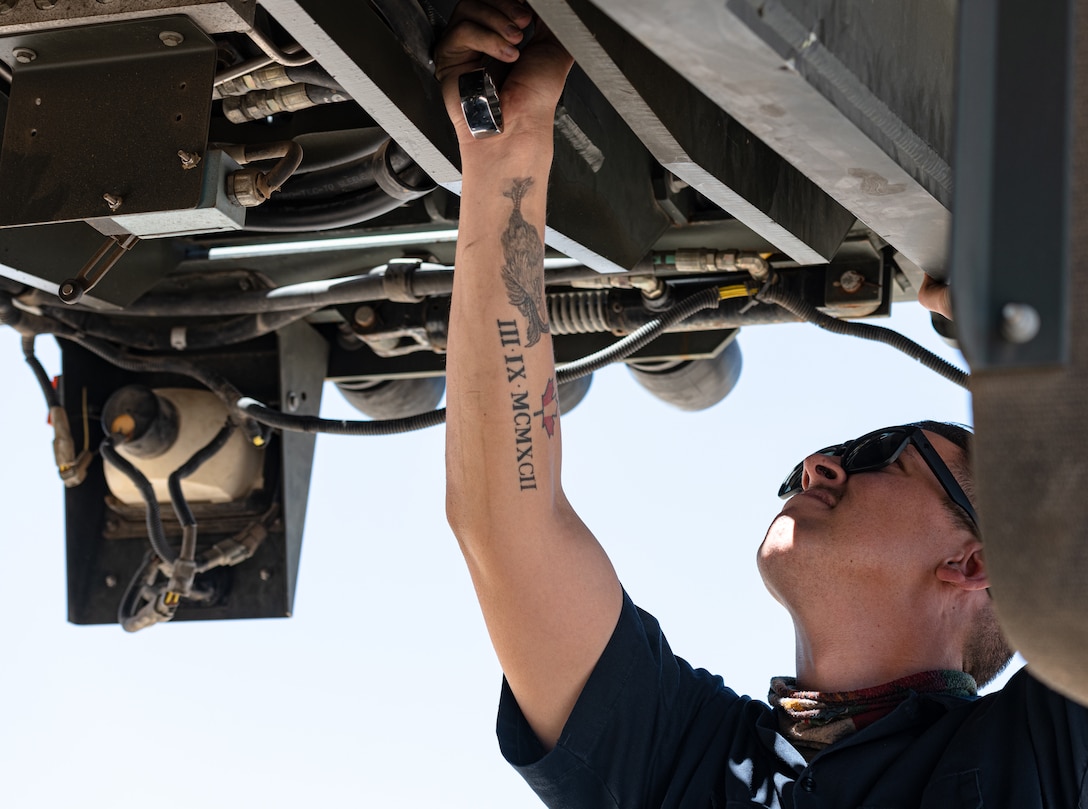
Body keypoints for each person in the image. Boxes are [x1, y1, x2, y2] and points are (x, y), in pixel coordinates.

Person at [436, 3, 1088, 806]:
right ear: (974, 560)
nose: (819, 464)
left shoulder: (682, 771)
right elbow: (510, 517)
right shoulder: (1044, 760)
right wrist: (512, 148)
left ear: (981, 566)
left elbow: (503, 531)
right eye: (881, 450)